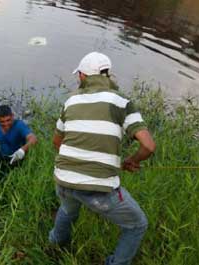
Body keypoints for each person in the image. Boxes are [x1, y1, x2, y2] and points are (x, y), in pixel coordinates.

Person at [49, 52, 156, 265]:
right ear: (108, 75)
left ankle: (55, 244)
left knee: (68, 209)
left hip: (63, 179)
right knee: (137, 225)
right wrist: (133, 160)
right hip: (97, 188)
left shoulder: (70, 101)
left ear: (82, 76)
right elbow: (148, 146)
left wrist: (79, 156)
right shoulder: (122, 102)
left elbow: (56, 142)